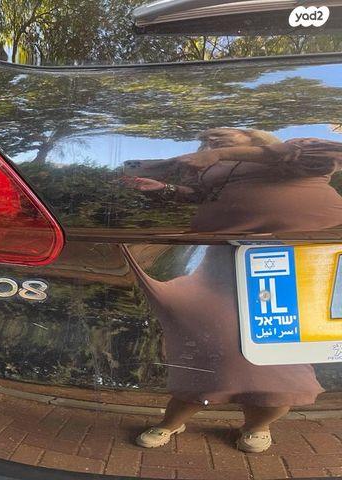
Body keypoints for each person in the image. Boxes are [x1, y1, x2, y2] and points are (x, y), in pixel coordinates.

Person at [124, 129, 342, 452]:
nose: (213, 141)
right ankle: (173, 421)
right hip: (224, 256)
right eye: (208, 140)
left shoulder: (293, 149)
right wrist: (166, 188)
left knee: (282, 349)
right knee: (212, 341)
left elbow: (321, 157)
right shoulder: (216, 167)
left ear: (251, 134)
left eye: (221, 134)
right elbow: (204, 197)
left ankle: (258, 424)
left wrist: (222, 152)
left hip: (301, 258)